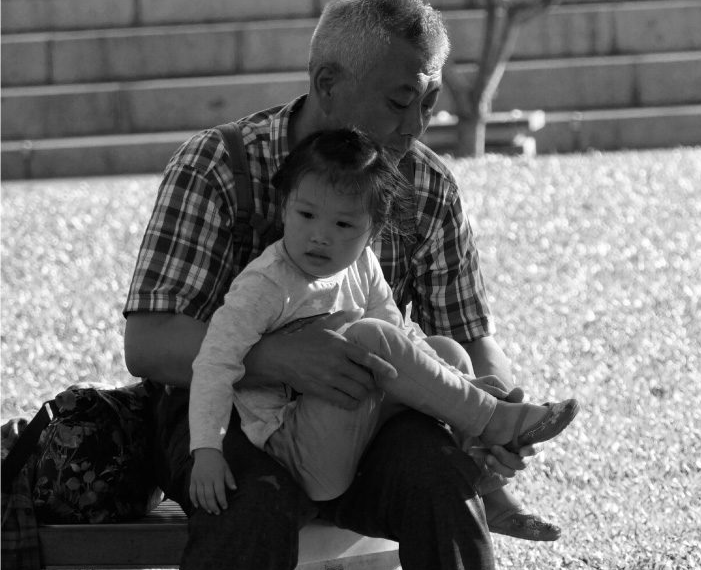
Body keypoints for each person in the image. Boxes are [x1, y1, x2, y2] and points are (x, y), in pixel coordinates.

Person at [124, 0, 554, 570]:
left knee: (440, 476)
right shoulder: (220, 166)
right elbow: (150, 343)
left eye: (431, 99)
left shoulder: (426, 188)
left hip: (364, 422)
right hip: (226, 421)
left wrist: (493, 409)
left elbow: (470, 336)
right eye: (403, 100)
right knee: (249, 506)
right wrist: (279, 353)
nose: (420, 123)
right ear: (327, 79)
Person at [186, 126, 578, 512]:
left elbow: (399, 335)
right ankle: (491, 420)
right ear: (285, 206)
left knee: (448, 351)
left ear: (372, 230)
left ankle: (478, 468)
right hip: (297, 450)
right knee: (370, 337)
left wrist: (463, 379)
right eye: (306, 214)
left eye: (342, 224)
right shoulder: (264, 283)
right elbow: (214, 362)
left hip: (360, 428)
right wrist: (206, 450)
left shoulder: (361, 264)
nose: (319, 235)